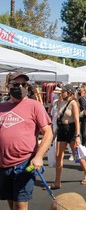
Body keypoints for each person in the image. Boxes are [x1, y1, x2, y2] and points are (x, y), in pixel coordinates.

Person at [0, 72, 53, 210]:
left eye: (24, 84)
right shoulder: (2, 107)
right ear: (8, 86)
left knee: (20, 206)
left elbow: (48, 133)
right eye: (16, 84)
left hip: (24, 164)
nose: (20, 87)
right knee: (11, 202)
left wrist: (39, 157)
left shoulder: (34, 106)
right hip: (3, 165)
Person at [53, 84, 86, 188]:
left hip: (71, 130)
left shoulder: (73, 103)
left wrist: (78, 135)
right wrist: (54, 135)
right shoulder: (61, 102)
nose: (61, 94)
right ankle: (57, 181)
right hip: (62, 130)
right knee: (58, 156)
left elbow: (77, 121)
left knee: (77, 155)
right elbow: (60, 119)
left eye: (63, 92)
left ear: (69, 92)